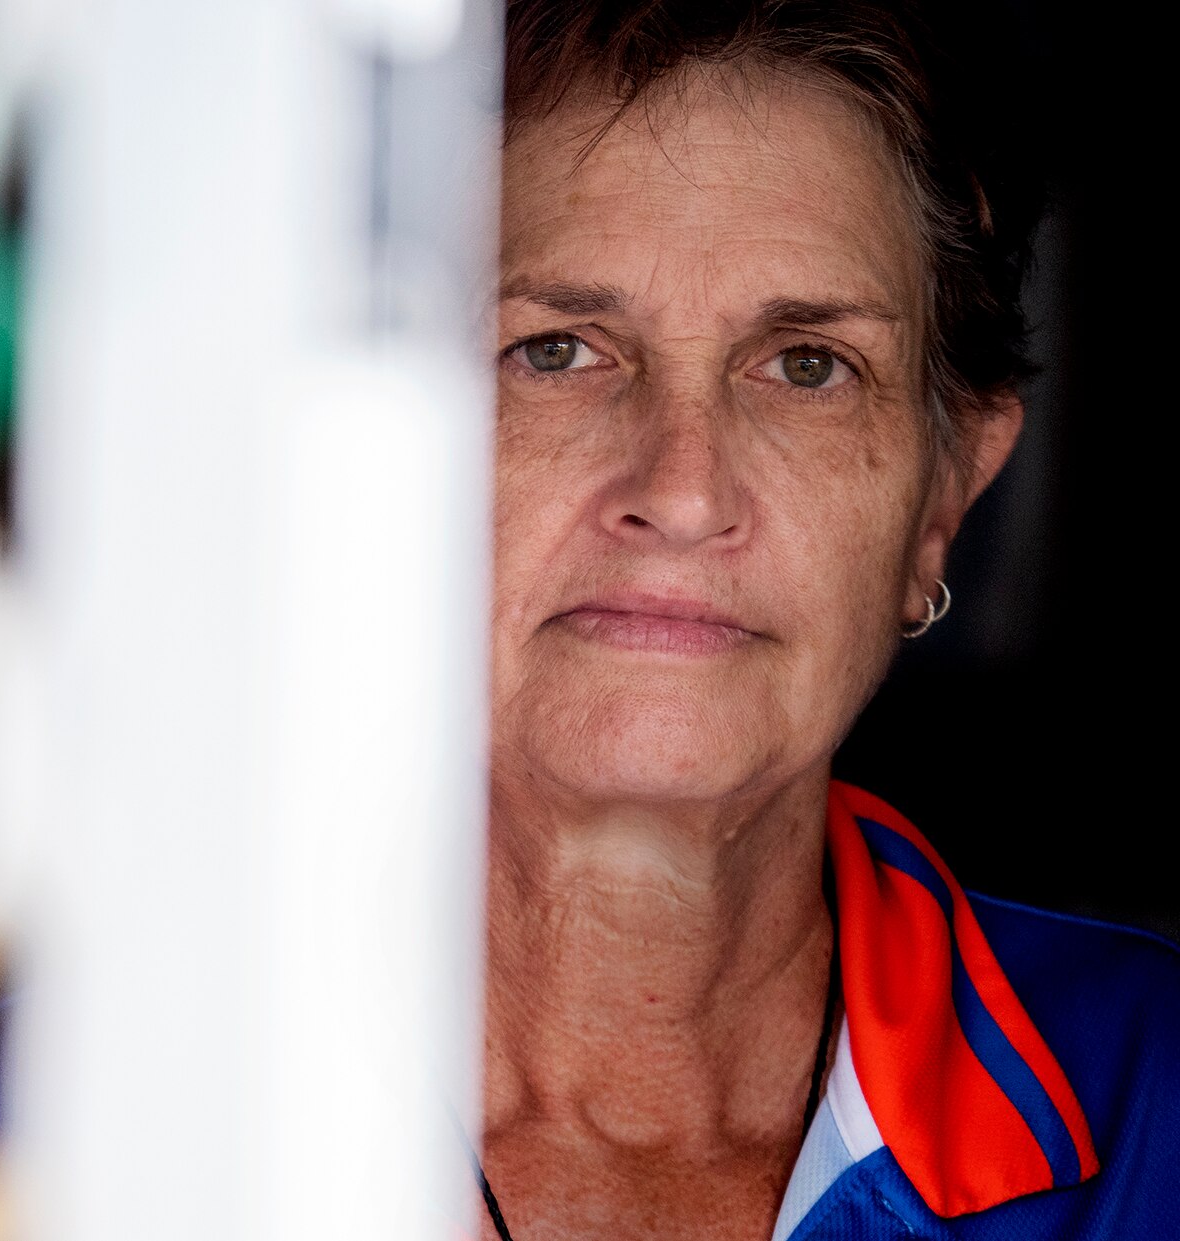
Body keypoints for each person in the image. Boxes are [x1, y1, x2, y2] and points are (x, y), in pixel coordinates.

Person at [480, 2, 1180, 1238]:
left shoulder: (1152, 1107)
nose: (683, 491)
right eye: (556, 351)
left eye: (807, 364)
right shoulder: (87, 1113)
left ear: (941, 497)